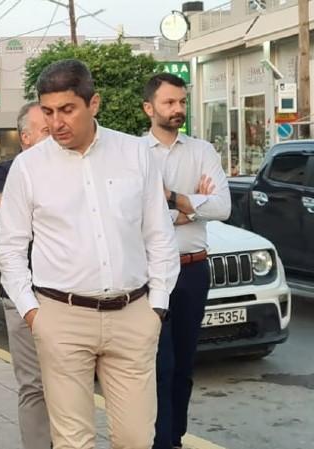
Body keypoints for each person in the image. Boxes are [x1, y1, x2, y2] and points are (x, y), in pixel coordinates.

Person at [0, 59, 180, 449]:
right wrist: (33, 314)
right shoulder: (28, 167)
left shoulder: (134, 154)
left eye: (67, 109)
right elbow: (10, 247)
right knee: (73, 441)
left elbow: (159, 235)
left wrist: (157, 307)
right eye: (48, 112)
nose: (56, 122)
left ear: (93, 103)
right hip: (61, 317)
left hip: (133, 315)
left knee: (136, 439)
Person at [142, 73, 231, 449]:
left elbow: (223, 207)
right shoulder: (135, 153)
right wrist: (195, 205)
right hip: (150, 274)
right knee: (158, 365)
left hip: (194, 270)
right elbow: (133, 216)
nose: (178, 109)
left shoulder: (202, 151)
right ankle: (159, 441)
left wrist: (172, 198)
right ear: (149, 108)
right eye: (169, 102)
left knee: (184, 365)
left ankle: (174, 437)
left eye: (181, 102)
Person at [0, 100, 52, 449]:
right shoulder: (6, 171)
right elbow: (3, 203)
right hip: (21, 294)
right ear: (25, 137)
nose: (55, 135)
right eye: (46, 130)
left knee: (69, 381)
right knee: (34, 384)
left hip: (67, 293)